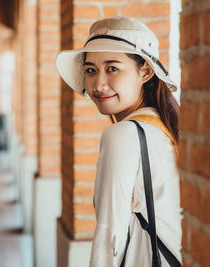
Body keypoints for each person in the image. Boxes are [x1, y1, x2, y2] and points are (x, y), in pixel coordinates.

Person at [56, 16, 182, 266]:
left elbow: (108, 235)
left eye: (112, 68)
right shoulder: (164, 127)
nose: (98, 84)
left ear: (145, 71)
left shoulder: (121, 134)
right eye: (91, 70)